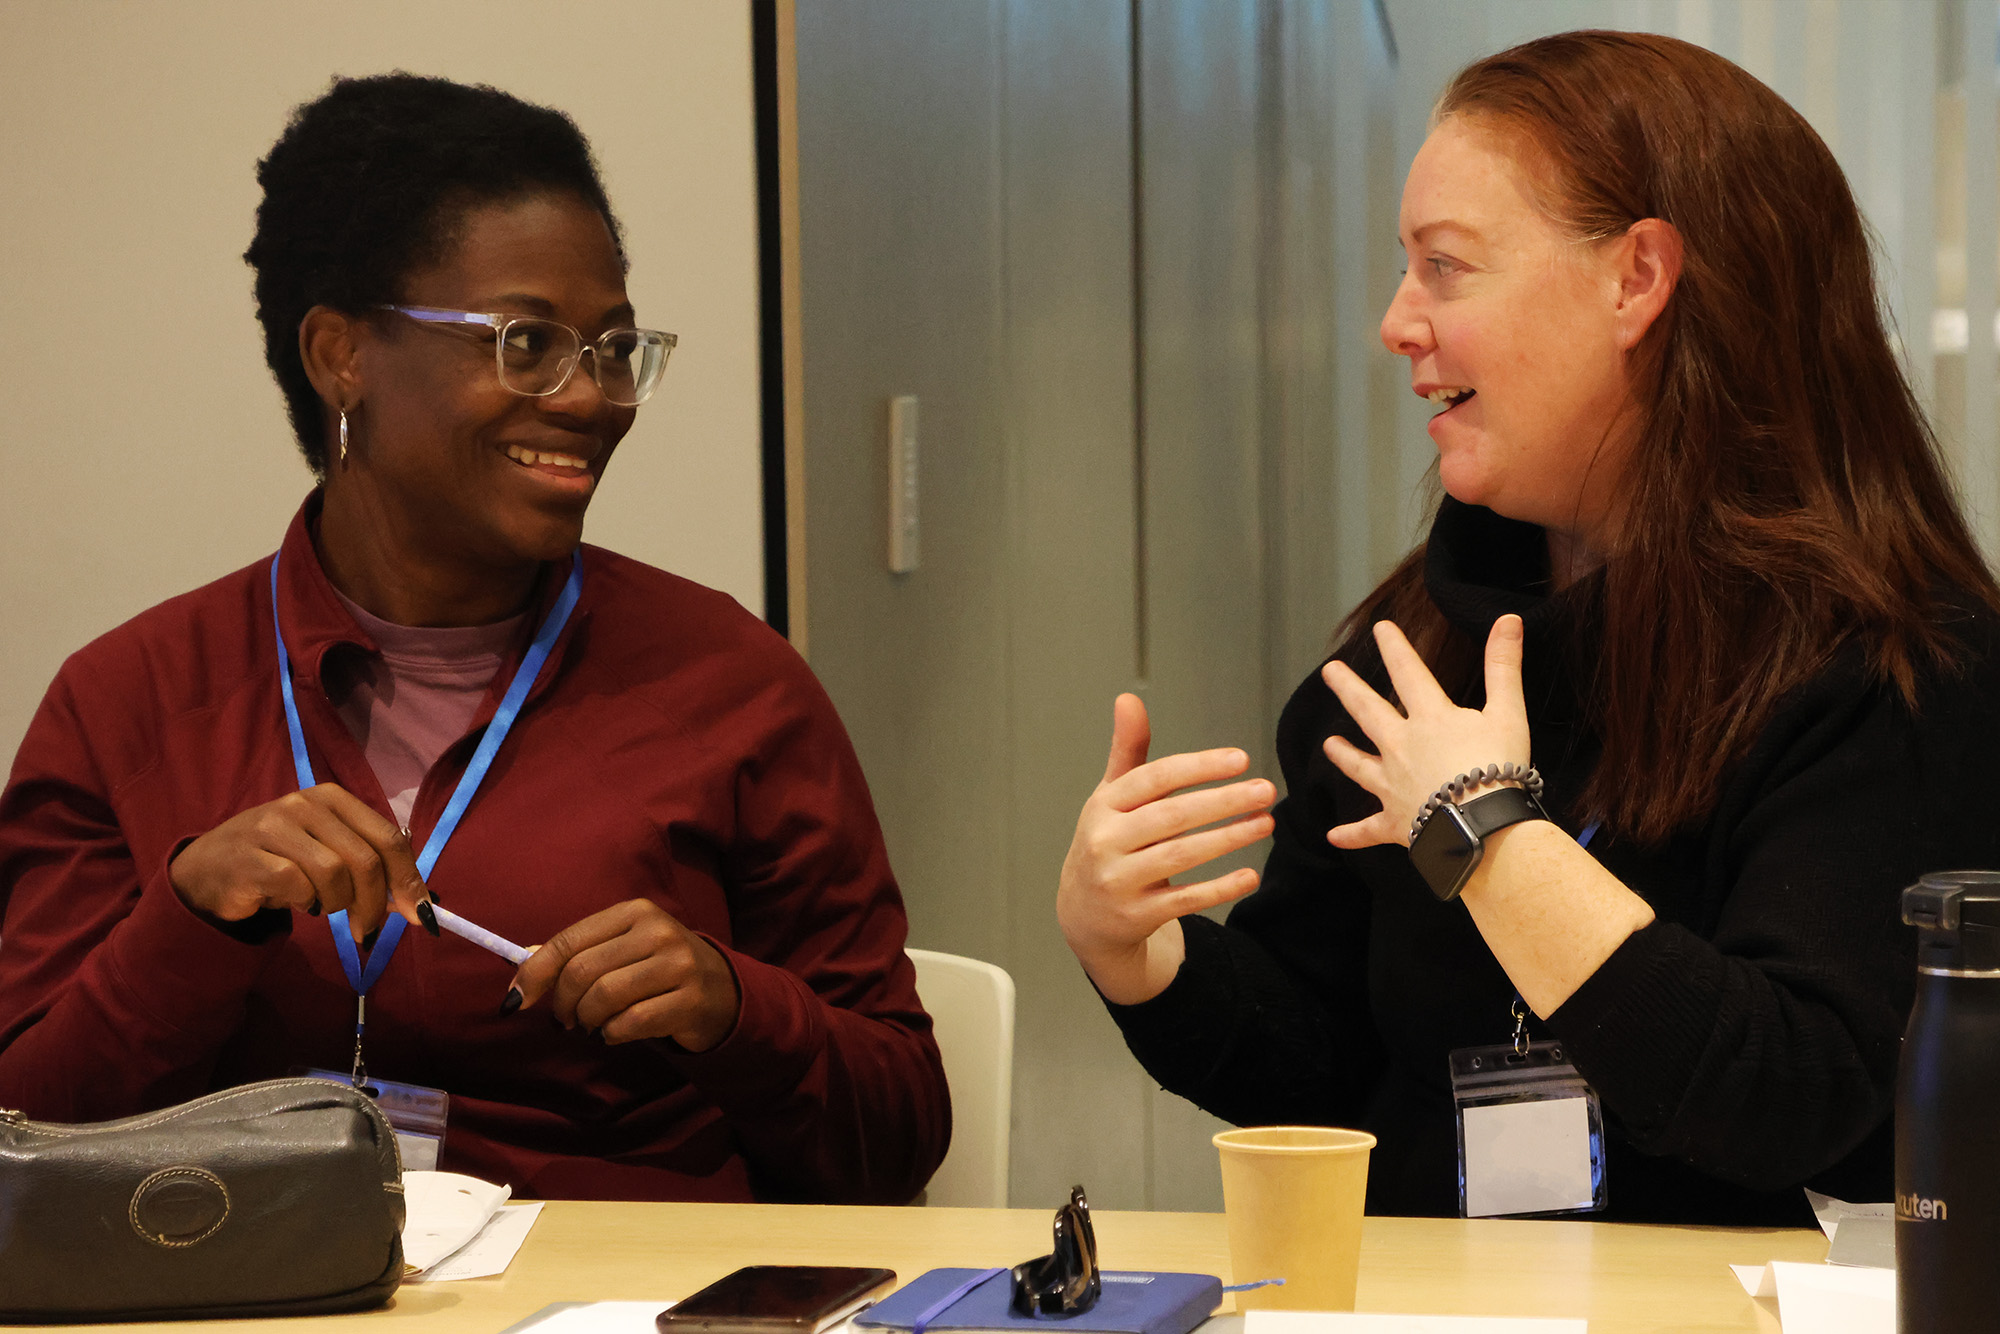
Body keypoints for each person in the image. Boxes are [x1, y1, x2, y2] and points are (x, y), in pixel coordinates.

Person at [1057, 30, 2000, 1224]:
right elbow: (1323, 1066)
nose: (1397, 323)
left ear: (1635, 280)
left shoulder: (1900, 663)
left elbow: (1792, 1094)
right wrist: (1137, 956)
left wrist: (1490, 836)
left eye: (1444, 268)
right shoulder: (1420, 640)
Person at [0, 73, 948, 1204]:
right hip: (251, 1292)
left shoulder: (728, 682)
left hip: (620, 1302)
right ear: (340, 354)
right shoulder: (131, 701)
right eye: (526, 341)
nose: (591, 397)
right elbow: (26, 1136)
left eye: (610, 348)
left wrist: (735, 1009)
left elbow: (899, 1127)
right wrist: (190, 917)